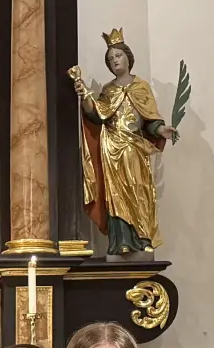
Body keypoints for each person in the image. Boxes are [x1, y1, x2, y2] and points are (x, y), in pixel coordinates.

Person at [69, 32, 178, 257]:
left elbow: (149, 120)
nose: (115, 60)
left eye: (118, 55)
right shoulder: (109, 90)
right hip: (112, 148)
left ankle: (143, 238)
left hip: (134, 148)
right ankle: (121, 242)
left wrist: (161, 129)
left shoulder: (141, 87)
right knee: (115, 196)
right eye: (110, 59)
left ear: (128, 57)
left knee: (139, 191)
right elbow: (97, 115)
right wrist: (84, 94)